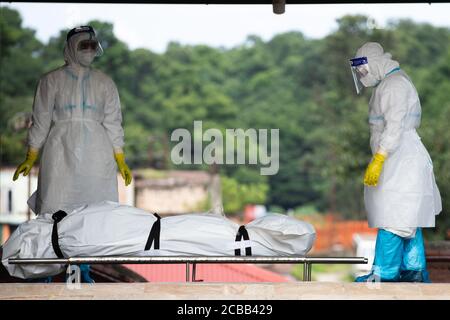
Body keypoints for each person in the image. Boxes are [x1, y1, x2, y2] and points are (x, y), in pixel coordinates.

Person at [12, 26, 132, 282]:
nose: (89, 51)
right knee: (54, 208)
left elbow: (113, 122)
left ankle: (82, 269)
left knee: (94, 212)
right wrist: (31, 153)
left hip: (97, 155)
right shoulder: (50, 80)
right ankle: (45, 268)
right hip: (60, 152)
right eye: (83, 46)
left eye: (92, 46)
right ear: (71, 48)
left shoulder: (105, 83)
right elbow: (41, 119)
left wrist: (120, 157)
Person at [349, 42, 442, 282]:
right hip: (399, 158)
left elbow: (394, 126)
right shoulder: (392, 83)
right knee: (407, 217)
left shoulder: (394, 85)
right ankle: (413, 271)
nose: (362, 76)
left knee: (394, 216)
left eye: (364, 70)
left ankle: (386, 274)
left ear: (375, 63)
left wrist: (380, 157)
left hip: (400, 158)